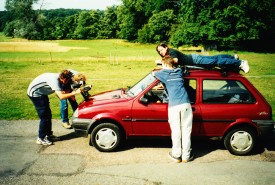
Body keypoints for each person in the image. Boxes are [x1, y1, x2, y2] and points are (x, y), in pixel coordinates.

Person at [152, 56, 194, 163]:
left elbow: (153, 73)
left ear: (164, 65)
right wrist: (170, 62)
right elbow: (175, 63)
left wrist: (160, 63)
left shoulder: (162, 74)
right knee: (186, 131)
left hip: (174, 106)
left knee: (176, 131)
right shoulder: (179, 71)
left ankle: (176, 155)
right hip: (186, 104)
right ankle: (186, 156)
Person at [27, 69, 82, 145]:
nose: (69, 82)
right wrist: (74, 93)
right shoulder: (55, 81)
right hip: (35, 94)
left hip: (42, 93)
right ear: (64, 79)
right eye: (68, 81)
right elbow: (61, 97)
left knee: (48, 114)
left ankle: (48, 135)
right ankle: (41, 138)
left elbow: (62, 92)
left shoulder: (61, 78)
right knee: (44, 116)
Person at [155, 42, 250, 73]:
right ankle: (233, 57)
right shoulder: (169, 54)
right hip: (194, 58)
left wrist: (160, 61)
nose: (161, 52)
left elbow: (175, 60)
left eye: (161, 49)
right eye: (159, 51)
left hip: (195, 60)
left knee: (216, 62)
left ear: (166, 47)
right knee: (214, 58)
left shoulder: (171, 52)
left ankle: (241, 63)